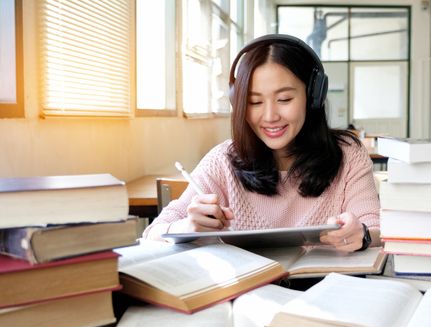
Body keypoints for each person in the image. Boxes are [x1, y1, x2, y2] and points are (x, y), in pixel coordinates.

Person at [143, 34, 380, 252]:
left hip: (326, 290)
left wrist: (363, 234)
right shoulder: (222, 161)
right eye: (255, 102)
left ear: (313, 96)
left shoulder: (348, 154)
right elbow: (153, 232)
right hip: (247, 295)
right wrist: (186, 227)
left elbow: (376, 228)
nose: (269, 116)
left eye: (284, 99)